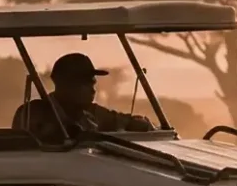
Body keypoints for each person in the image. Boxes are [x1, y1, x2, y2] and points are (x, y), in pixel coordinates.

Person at [12, 52, 156, 143]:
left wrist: (140, 124)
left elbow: (125, 121)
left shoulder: (90, 113)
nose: (92, 89)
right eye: (84, 82)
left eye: (92, 83)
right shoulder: (35, 112)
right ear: (65, 83)